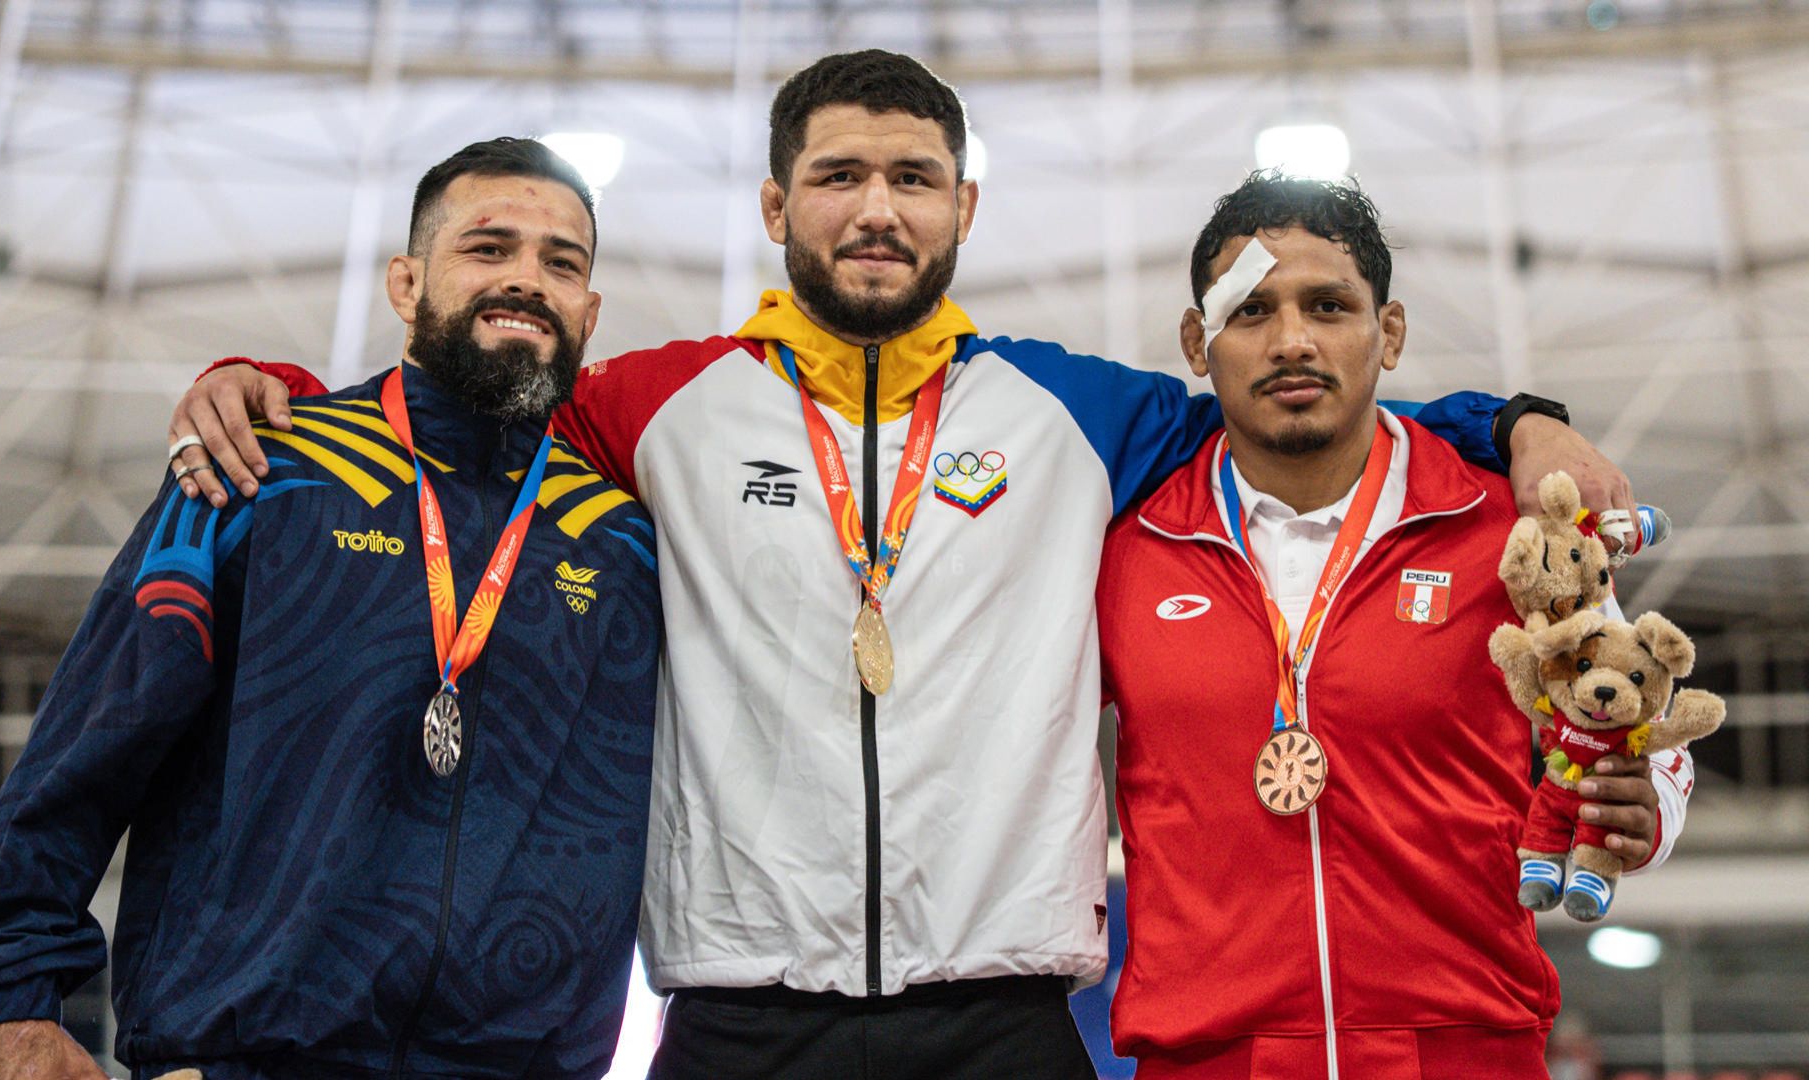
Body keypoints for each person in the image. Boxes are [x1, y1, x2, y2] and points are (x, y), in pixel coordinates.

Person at [162, 52, 1653, 1078]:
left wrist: (1515, 424)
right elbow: (474, 409)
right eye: (840, 175)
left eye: (915, 177)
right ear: (777, 208)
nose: (878, 206)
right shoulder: (659, 403)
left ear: (963, 211)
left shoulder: (1081, 412)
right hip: (740, 1015)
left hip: (1004, 1020)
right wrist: (270, 378)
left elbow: (1299, 405)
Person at [0, 138, 663, 1080]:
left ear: (589, 311)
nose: (526, 279)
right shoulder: (258, 471)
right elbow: (85, 748)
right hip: (244, 1054)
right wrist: (12, 1004)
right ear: (407, 284)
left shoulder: (622, 543)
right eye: (488, 248)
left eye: (560, 263)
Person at [1095, 173, 1694, 1080]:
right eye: (1250, 312)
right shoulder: (1124, 548)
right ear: (1197, 342)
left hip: (1467, 1048)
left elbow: (1652, 725)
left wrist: (1653, 808)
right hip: (1208, 1055)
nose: (1293, 340)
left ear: (1391, 333)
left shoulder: (1509, 530)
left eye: (1329, 305)